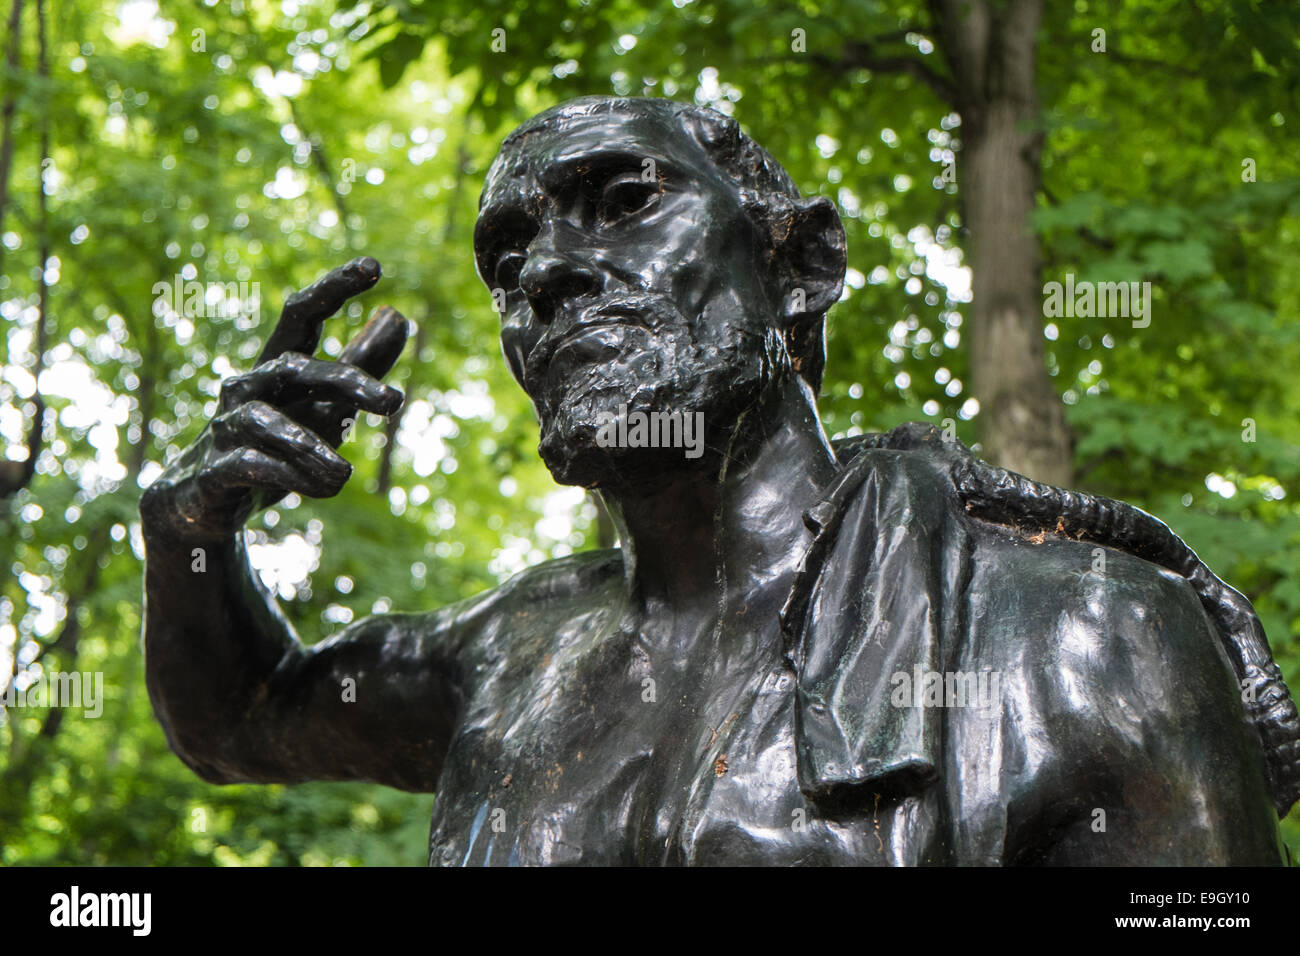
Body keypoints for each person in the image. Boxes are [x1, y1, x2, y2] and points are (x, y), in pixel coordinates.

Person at [140, 96, 1298, 865]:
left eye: (623, 202)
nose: (546, 272)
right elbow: (237, 716)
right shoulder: (503, 650)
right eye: (509, 258)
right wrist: (189, 531)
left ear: (798, 265)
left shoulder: (1087, 638)